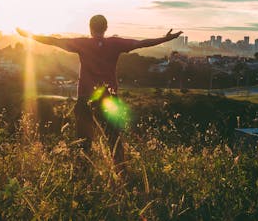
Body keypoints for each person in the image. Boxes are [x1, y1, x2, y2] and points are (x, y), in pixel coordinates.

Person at [17, 15, 182, 172]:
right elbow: (142, 43)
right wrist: (166, 38)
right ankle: (121, 175)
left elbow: (54, 41)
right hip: (109, 99)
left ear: (90, 28)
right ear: (106, 28)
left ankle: (83, 176)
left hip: (86, 98)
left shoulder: (82, 44)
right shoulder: (115, 43)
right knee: (114, 140)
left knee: (83, 142)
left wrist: (29, 35)